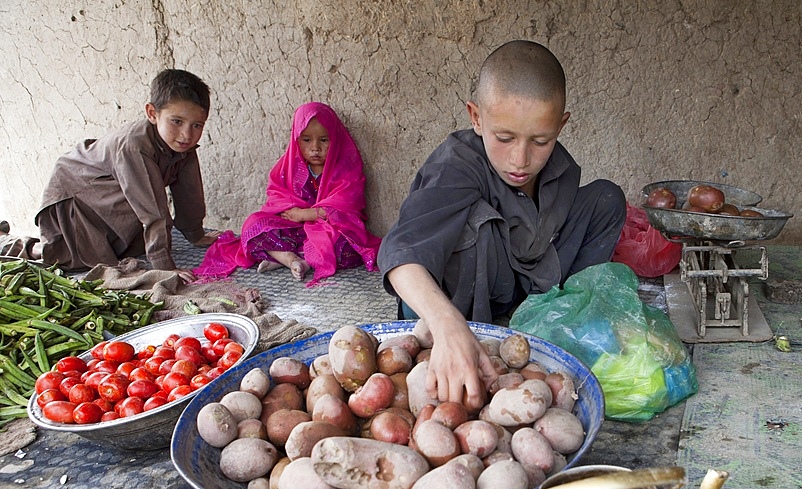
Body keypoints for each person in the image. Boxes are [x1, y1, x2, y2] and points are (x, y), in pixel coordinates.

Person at [377, 40, 626, 409]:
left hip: (524, 282)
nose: (520, 159)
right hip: (456, 305)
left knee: (607, 198)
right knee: (477, 223)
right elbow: (401, 256)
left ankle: (554, 319)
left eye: (541, 140)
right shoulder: (456, 164)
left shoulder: (561, 169)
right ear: (476, 117)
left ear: (562, 124)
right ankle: (471, 342)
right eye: (504, 138)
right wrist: (447, 326)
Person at [0, 69, 219, 281]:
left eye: (197, 125)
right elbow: (153, 209)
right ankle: (14, 245)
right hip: (77, 193)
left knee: (121, 251)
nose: (187, 134)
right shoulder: (135, 146)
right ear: (152, 113)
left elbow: (189, 194)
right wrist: (164, 267)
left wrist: (195, 234)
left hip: (109, 198)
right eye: (177, 121)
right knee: (65, 257)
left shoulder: (182, 145)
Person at [194, 102, 379, 284]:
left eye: (324, 140)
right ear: (296, 139)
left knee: (349, 247)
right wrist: (292, 212)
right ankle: (289, 259)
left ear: (336, 138)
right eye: (306, 140)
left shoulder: (344, 167)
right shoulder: (290, 165)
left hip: (327, 228)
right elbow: (277, 195)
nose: (315, 147)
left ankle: (301, 261)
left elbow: (348, 203)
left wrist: (307, 214)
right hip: (294, 227)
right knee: (253, 226)